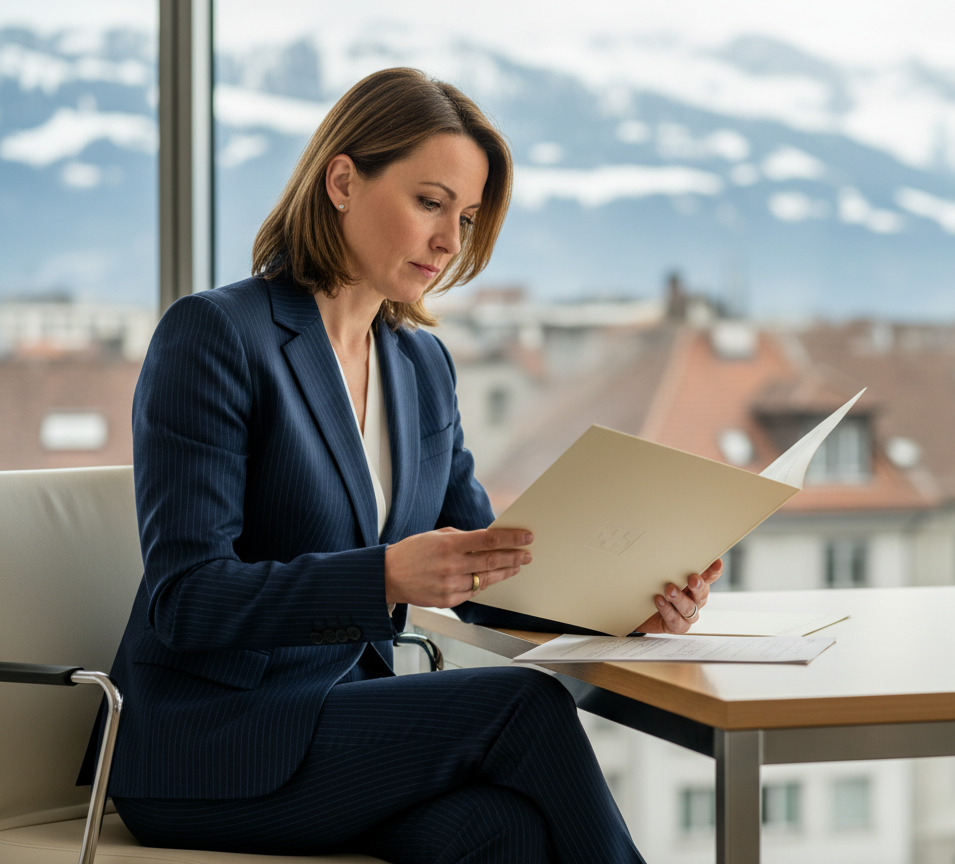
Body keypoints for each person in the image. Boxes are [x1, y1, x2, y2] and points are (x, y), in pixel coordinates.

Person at [87, 67, 722, 863]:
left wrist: (628, 604)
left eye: (467, 216)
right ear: (343, 180)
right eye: (430, 202)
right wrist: (385, 576)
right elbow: (187, 600)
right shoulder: (217, 335)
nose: (451, 242)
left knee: (505, 835)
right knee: (522, 705)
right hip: (212, 744)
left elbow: (487, 570)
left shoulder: (420, 366)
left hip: (347, 732)